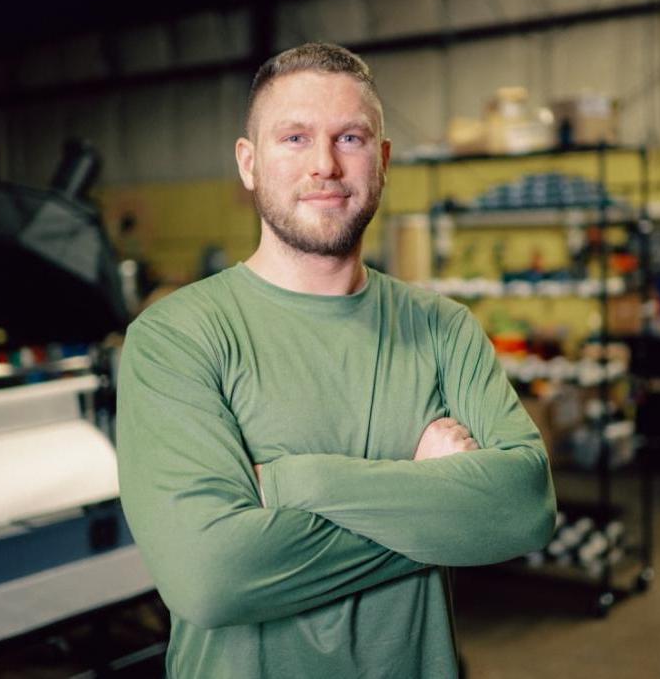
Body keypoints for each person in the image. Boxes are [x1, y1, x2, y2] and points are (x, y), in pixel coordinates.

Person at [116, 42, 556, 678]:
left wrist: (298, 484)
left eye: (349, 137)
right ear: (249, 163)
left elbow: (522, 510)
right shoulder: (177, 337)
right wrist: (434, 509)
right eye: (294, 138)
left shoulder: (441, 327)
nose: (324, 164)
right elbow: (209, 578)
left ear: (381, 161)